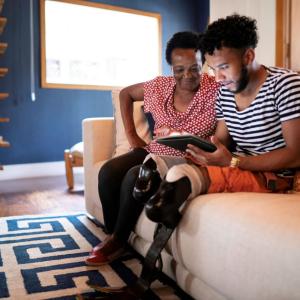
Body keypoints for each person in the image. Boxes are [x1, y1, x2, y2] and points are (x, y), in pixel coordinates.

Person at [145, 14, 300, 221]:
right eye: (213, 69)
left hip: (276, 176)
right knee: (160, 162)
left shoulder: (286, 85)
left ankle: (169, 197)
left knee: (182, 176)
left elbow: (295, 154)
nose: (218, 78)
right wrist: (183, 138)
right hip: (238, 163)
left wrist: (235, 161)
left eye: (224, 67)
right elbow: (220, 140)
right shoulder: (225, 93)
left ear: (248, 56)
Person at [85, 31, 220, 265]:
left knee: (134, 176)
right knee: (108, 172)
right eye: (179, 70)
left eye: (194, 68)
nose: (187, 75)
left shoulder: (216, 90)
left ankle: (117, 240)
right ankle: (114, 234)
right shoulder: (160, 86)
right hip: (154, 150)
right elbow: (126, 94)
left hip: (187, 159)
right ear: (171, 68)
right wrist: (131, 134)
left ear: (203, 64)